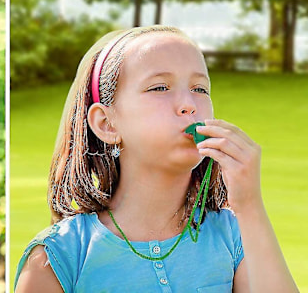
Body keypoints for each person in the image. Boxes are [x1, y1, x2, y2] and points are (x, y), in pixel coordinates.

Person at [15, 26, 298, 292]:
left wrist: (249, 206)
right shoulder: (58, 258)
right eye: (160, 87)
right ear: (107, 124)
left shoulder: (236, 235)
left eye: (200, 89)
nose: (189, 105)